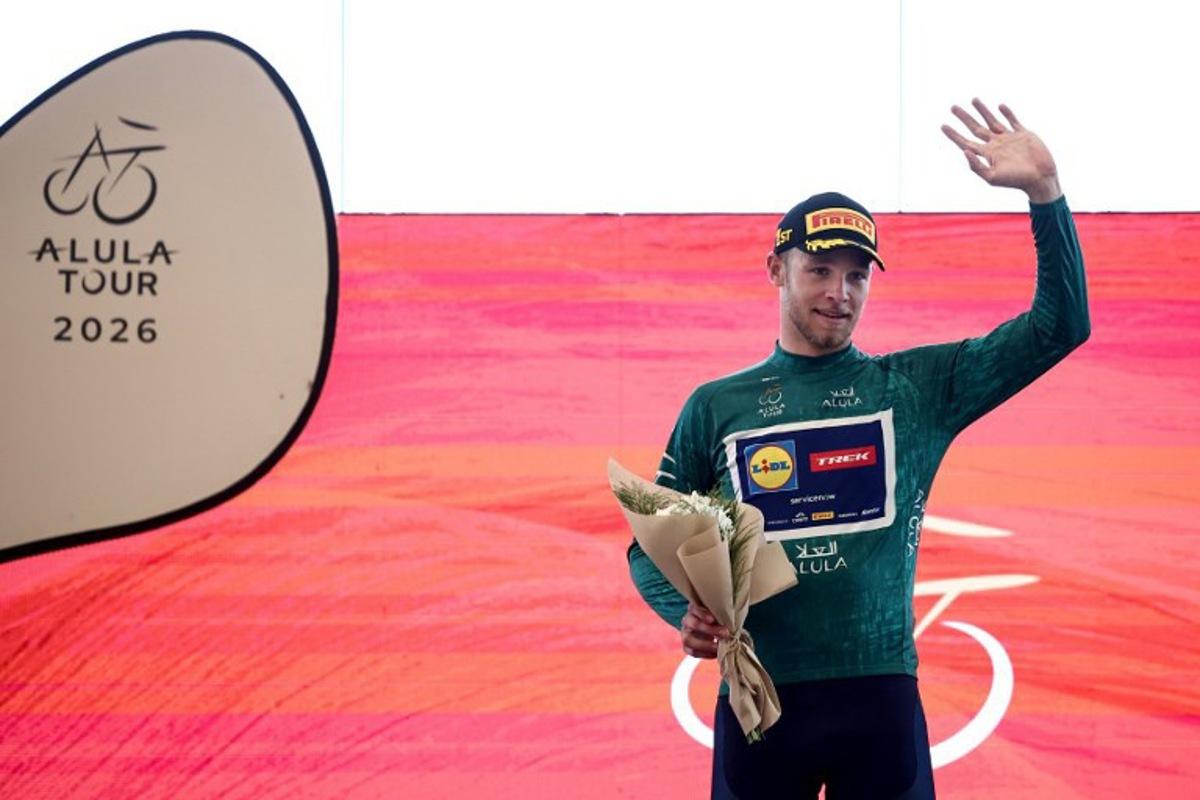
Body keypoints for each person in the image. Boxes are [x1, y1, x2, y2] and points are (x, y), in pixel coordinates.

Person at [627, 99, 1090, 799]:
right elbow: (648, 546)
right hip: (763, 701)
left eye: (857, 275)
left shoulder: (915, 388)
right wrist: (686, 615)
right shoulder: (717, 406)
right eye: (818, 270)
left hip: (879, 697)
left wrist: (1046, 195)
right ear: (776, 269)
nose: (839, 294)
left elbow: (1061, 329)